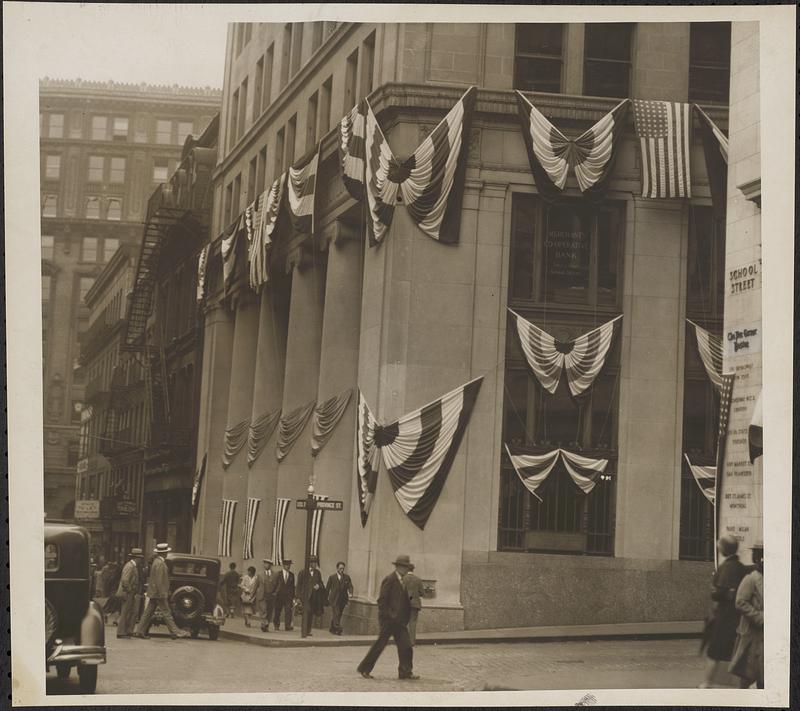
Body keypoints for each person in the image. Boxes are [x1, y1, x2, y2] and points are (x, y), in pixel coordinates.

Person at [357, 554, 418, 680]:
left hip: (400, 622)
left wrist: (404, 617)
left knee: (406, 646)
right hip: (389, 621)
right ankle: (365, 669)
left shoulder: (403, 580)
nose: (407, 570)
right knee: (379, 646)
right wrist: (387, 617)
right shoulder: (390, 579)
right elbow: (382, 600)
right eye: (406, 567)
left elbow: (404, 601)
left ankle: (405, 672)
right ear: (400, 567)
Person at [700, 534, 747, 688]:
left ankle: (707, 683)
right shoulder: (738, 565)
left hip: (724, 616)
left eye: (720, 546)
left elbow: (723, 593)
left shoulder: (728, 567)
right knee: (728, 651)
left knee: (714, 651)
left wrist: (714, 591)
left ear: (724, 549)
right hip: (732, 616)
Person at [134, 543, 189, 639]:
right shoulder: (160, 563)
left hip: (155, 592)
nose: (167, 553)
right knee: (166, 612)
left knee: (148, 612)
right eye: (166, 552)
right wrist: (162, 593)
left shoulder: (157, 562)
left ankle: (139, 631)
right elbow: (159, 580)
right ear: (164, 553)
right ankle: (175, 632)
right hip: (159, 593)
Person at [730, 541, 764, 689]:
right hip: (752, 634)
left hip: (767, 637)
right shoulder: (751, 579)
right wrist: (759, 617)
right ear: (758, 558)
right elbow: (740, 602)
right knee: (747, 676)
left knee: (765, 677)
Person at [116, 548, 143, 638]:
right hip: (127, 593)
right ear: (137, 558)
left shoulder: (132, 566)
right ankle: (121, 632)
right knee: (125, 612)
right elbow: (125, 580)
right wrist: (130, 589)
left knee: (129, 612)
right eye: (140, 558)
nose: (140, 560)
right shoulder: (130, 566)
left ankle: (127, 631)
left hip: (129, 592)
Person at [296, 556, 326, 636]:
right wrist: (298, 597)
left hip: (314, 597)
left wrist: (319, 586)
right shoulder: (303, 572)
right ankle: (304, 630)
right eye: (314, 563)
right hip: (305, 597)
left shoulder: (317, 573)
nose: (315, 564)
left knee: (311, 613)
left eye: (316, 563)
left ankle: (308, 630)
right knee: (306, 612)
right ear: (310, 564)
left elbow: (321, 583)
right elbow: (299, 585)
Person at [326, 561, 354, 636]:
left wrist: (350, 593)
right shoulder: (332, 577)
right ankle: (338, 629)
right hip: (334, 599)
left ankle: (332, 628)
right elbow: (327, 588)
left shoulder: (347, 577)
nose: (342, 570)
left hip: (343, 599)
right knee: (336, 613)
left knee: (339, 614)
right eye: (340, 568)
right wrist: (325, 598)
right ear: (337, 568)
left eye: (343, 569)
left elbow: (350, 586)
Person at [404, 563, 424, 646]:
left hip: (404, 604)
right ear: (413, 570)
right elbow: (422, 593)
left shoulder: (403, 579)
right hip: (415, 604)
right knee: (413, 622)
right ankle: (412, 642)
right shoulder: (418, 580)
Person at [257, 558, 279, 632]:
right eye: (265, 563)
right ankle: (263, 623)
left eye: (268, 564)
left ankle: (267, 624)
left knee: (269, 611)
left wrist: (275, 592)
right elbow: (256, 585)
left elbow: (278, 585)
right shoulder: (260, 574)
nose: (266, 565)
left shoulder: (275, 574)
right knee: (264, 610)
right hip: (262, 595)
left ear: (271, 565)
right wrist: (251, 595)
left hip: (271, 595)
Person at [273, 559, 295, 631]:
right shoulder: (278, 574)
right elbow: (275, 584)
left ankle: (287, 626)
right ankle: (276, 624)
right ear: (283, 566)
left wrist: (293, 597)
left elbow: (292, 587)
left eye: (289, 565)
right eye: (286, 565)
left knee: (288, 611)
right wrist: (274, 593)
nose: (288, 567)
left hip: (288, 597)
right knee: (277, 611)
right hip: (279, 596)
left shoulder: (292, 575)